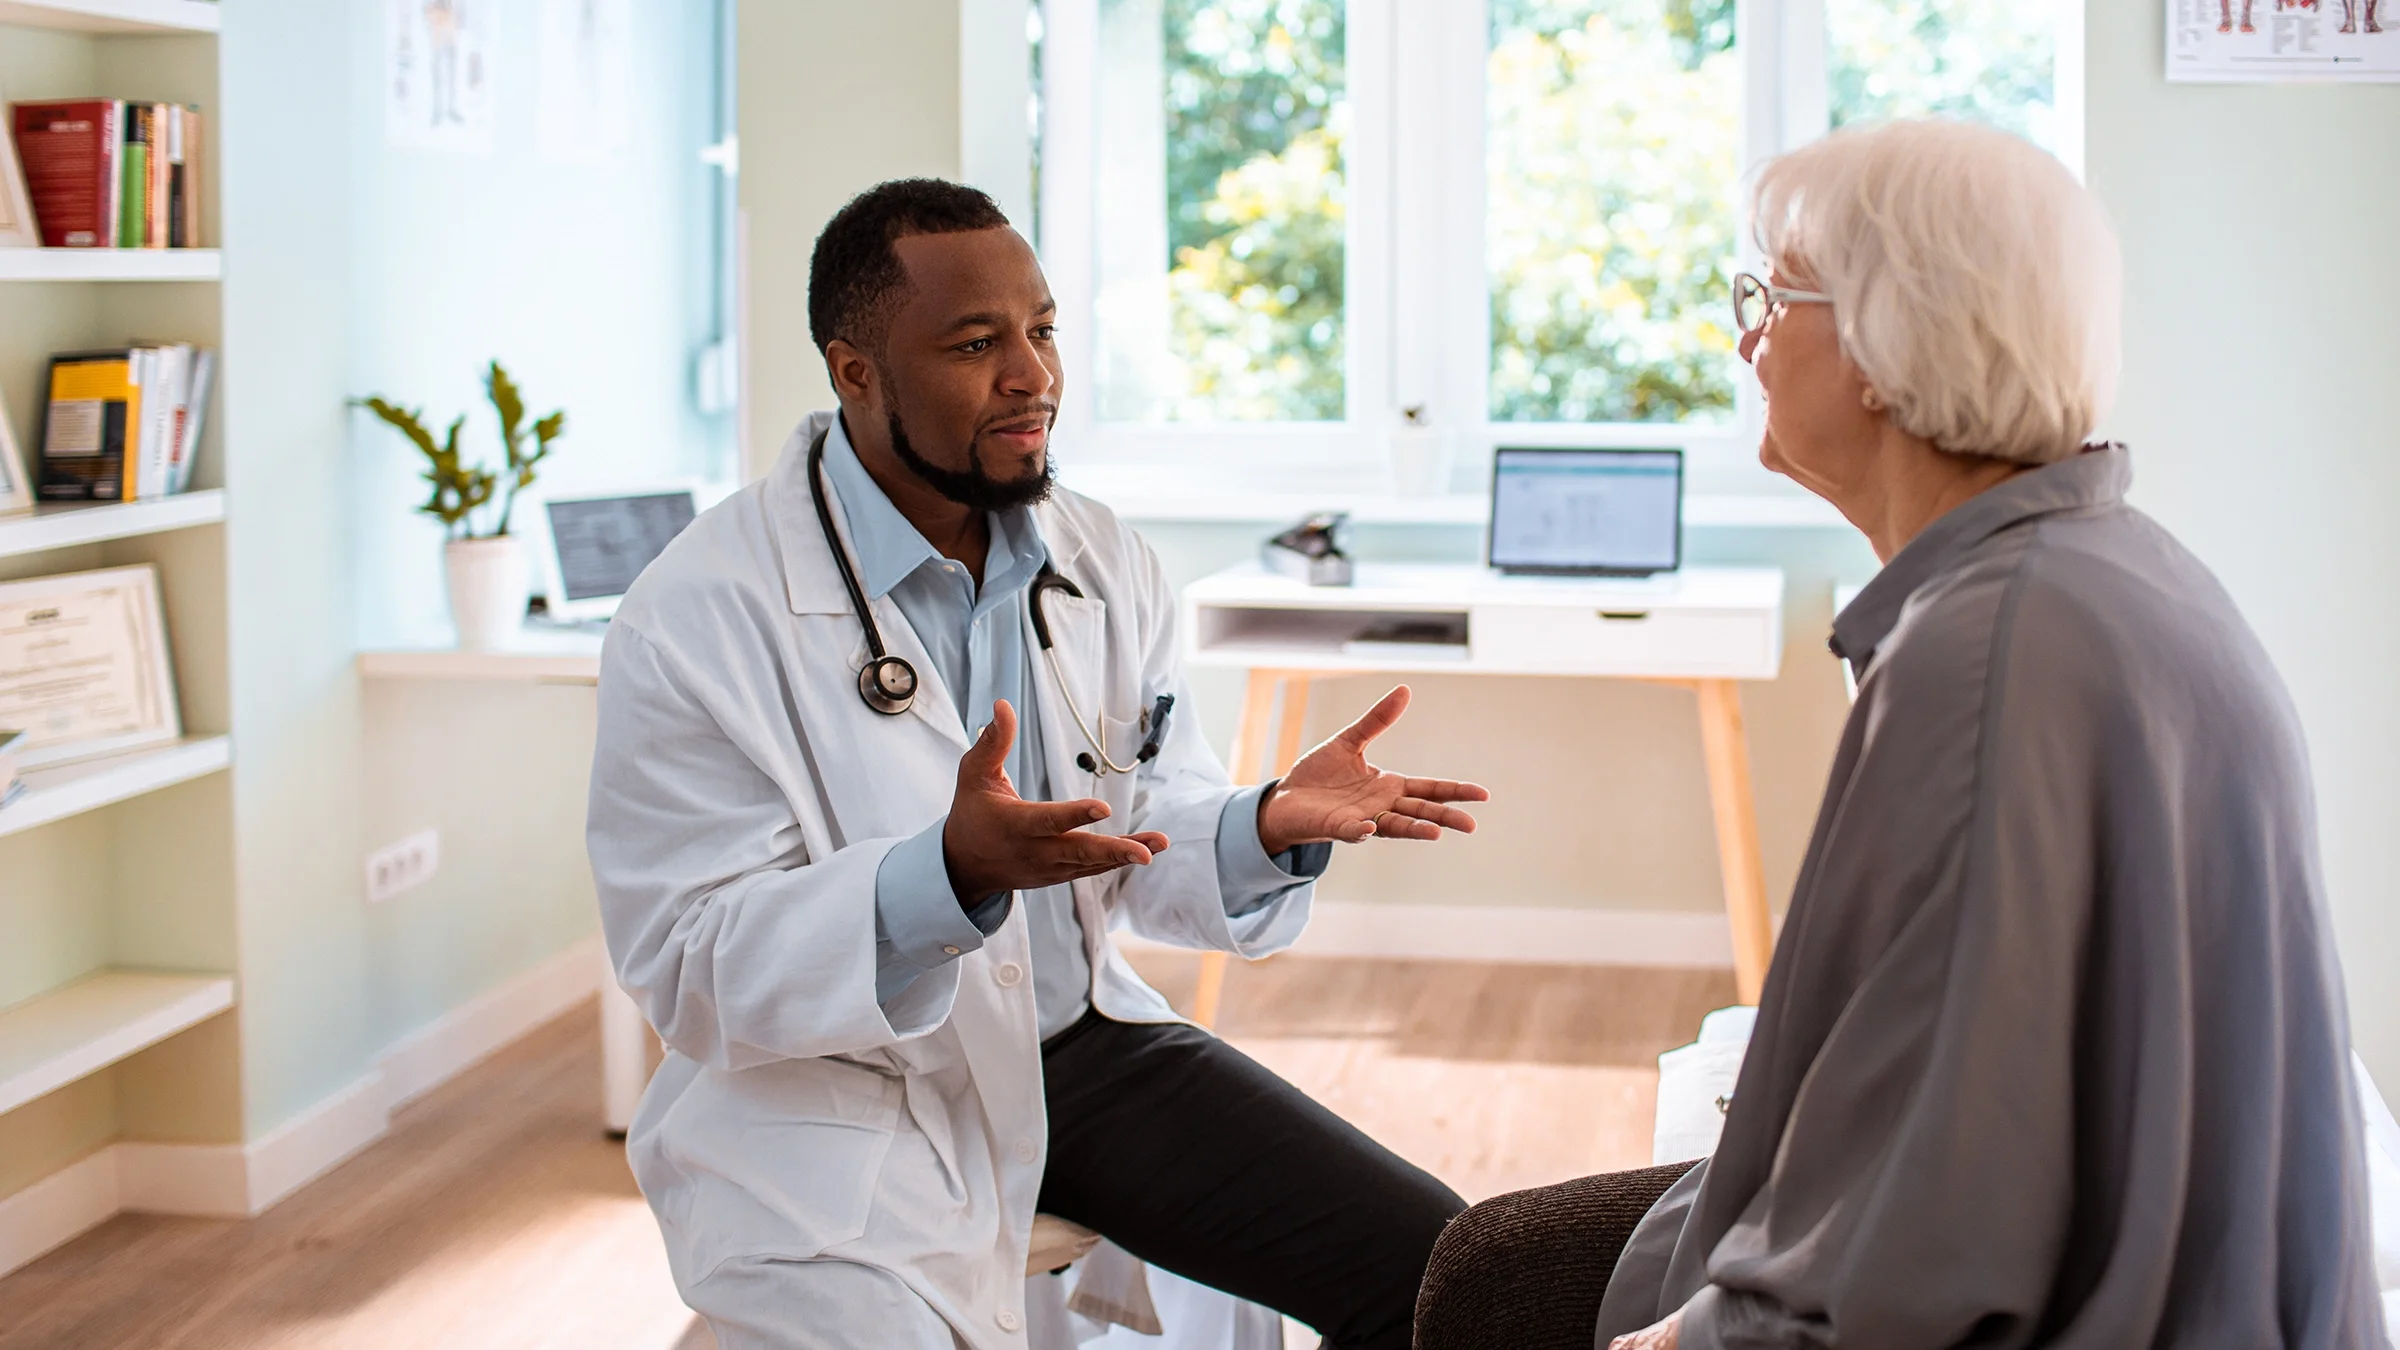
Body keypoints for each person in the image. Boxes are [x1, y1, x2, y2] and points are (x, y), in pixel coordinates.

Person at [1414, 119, 2388, 1350]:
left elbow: (1940, 1224)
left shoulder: (1989, 654)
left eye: (1773, 296)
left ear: (1883, 340)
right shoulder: (2103, 569)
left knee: (1494, 1290)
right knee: (1498, 1258)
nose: (1746, 339)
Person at [586, 178, 1486, 1350]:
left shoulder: (1099, 556)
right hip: (839, 1096)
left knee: (1458, 1283)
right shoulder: (698, 616)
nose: (1035, 376)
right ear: (855, 370)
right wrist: (943, 878)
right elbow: (688, 965)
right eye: (977, 343)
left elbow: (1146, 815)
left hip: (1083, 1054)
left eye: (1044, 329)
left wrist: (1261, 825)